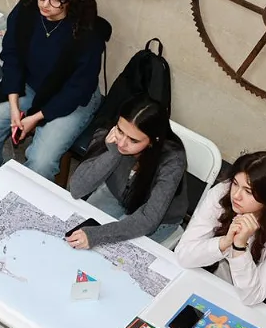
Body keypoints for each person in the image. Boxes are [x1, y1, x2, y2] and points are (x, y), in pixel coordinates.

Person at [0, 0, 111, 185]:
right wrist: (14, 105)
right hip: (29, 83)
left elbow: (77, 89)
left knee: (41, 163)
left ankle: (21, 200)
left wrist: (35, 118)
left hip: (70, 98)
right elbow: (12, 56)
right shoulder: (27, 9)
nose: (45, 3)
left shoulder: (87, 33)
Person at [174, 151, 266, 313]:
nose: (236, 195)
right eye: (235, 183)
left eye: (248, 191)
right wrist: (225, 242)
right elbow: (183, 255)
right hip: (223, 272)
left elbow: (252, 296)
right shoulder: (222, 193)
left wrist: (239, 247)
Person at [66, 95, 188, 248]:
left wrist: (96, 235)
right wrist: (112, 154)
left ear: (153, 141)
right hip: (116, 194)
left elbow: (148, 219)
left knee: (111, 253)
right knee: (75, 227)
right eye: (120, 130)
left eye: (133, 140)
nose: (122, 143)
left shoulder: (173, 160)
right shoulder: (111, 135)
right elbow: (77, 189)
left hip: (159, 218)